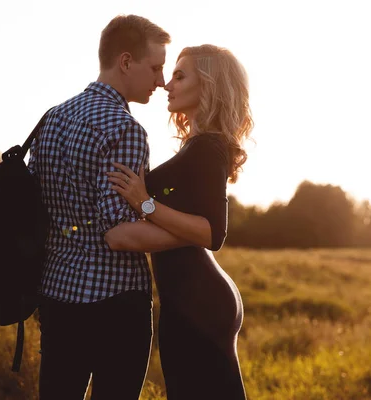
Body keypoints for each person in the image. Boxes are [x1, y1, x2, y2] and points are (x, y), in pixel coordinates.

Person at [27, 15, 171, 400]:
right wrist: (191, 235)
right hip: (115, 303)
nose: (161, 80)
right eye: (155, 67)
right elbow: (119, 235)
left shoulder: (52, 119)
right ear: (126, 62)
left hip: (57, 295)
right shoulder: (123, 129)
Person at [105, 44, 253, 399]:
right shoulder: (197, 145)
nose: (167, 85)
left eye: (179, 75)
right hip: (192, 299)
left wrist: (146, 203)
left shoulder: (208, 148)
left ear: (208, 85)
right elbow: (192, 225)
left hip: (196, 303)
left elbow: (213, 231)